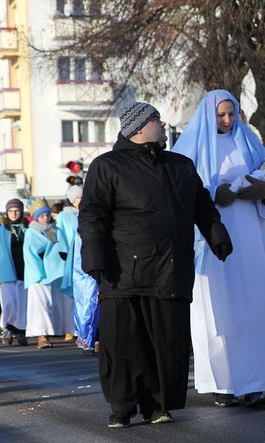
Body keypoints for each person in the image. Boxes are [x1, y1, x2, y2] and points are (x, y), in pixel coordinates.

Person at [78, 101, 233, 428]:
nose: (162, 125)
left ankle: (158, 405)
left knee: (165, 342)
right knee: (125, 343)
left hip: (170, 270)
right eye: (156, 120)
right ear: (138, 128)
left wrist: (217, 235)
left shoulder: (180, 165)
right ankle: (121, 407)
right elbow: (93, 215)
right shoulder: (107, 166)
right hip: (123, 273)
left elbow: (202, 206)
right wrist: (94, 257)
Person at [172, 89, 265, 409]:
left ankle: (253, 383)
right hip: (210, 238)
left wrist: (263, 188)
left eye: (231, 114)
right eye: (221, 115)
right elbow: (177, 190)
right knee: (216, 311)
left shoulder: (247, 141)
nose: (228, 120)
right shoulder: (188, 149)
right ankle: (222, 383)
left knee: (252, 307)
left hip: (249, 234)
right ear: (209, 114)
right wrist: (209, 194)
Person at [23, 197, 74, 349]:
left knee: (57, 303)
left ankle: (61, 330)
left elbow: (59, 247)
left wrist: (62, 261)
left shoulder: (52, 230)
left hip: (55, 272)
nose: (45, 218)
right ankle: (41, 335)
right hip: (40, 274)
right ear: (36, 217)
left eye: (47, 215)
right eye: (42, 216)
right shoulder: (32, 232)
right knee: (41, 305)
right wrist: (38, 271)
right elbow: (30, 253)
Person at [58, 185, 99, 355]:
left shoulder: (96, 213)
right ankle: (86, 339)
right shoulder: (68, 218)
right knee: (85, 302)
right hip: (81, 267)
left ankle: (96, 338)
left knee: (99, 303)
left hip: (96, 262)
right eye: (79, 197)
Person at [0, 198, 29, 346]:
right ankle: (8, 328)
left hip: (25, 270)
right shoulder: (2, 229)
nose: (14, 213)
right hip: (7, 271)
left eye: (16, 210)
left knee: (23, 303)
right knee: (8, 303)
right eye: (10, 211)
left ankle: (21, 331)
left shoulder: (28, 227)